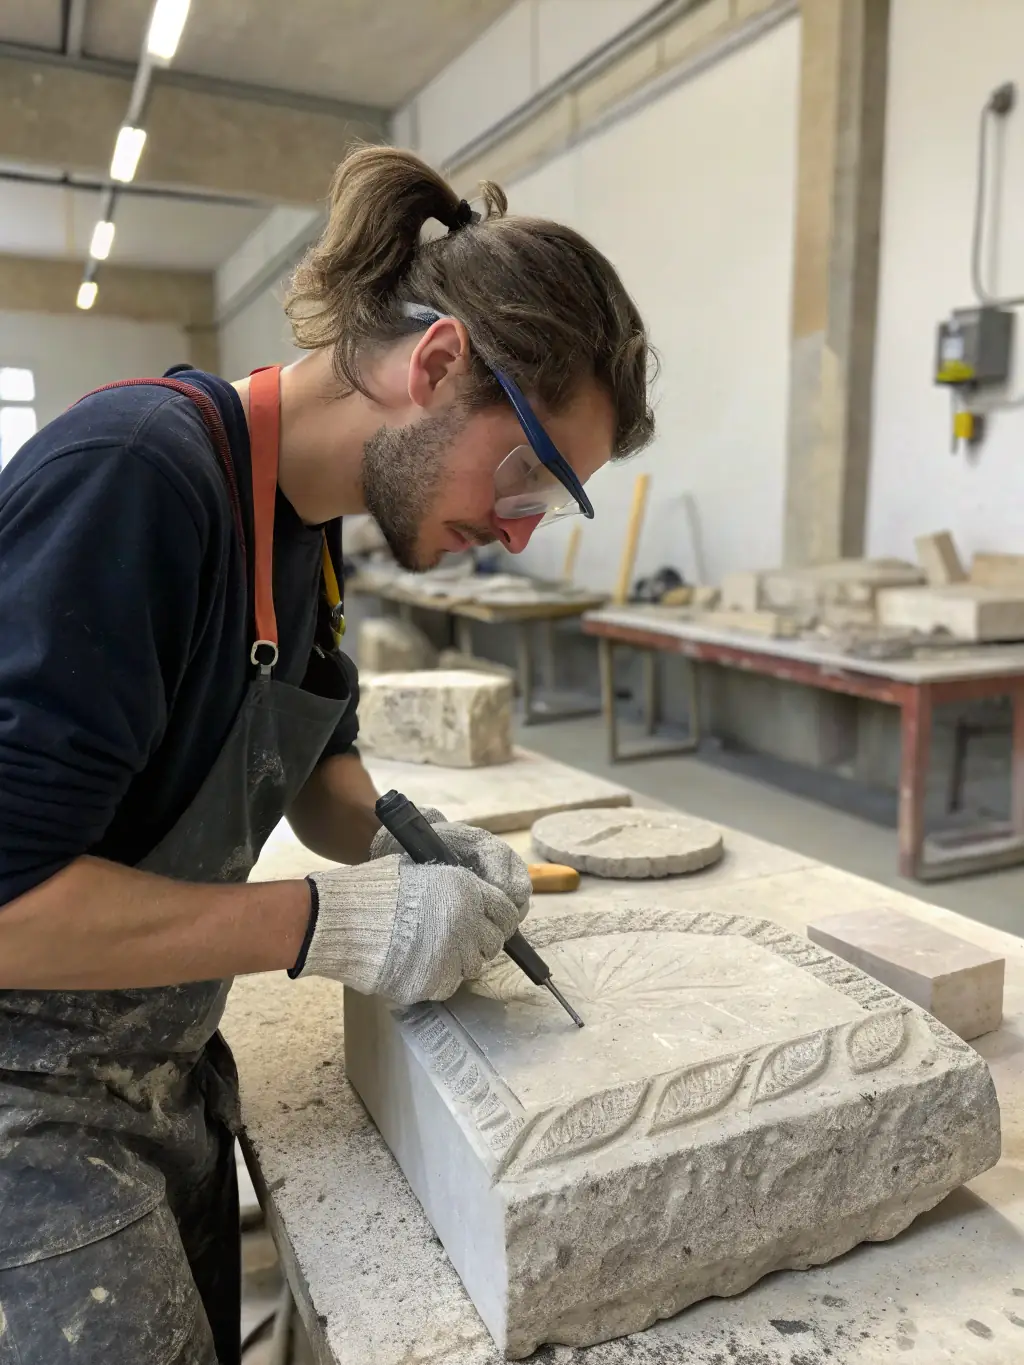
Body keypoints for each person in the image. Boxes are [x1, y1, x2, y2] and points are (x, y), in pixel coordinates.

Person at [0, 146, 654, 1363]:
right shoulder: (136, 482)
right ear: (440, 364)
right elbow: (8, 905)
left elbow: (311, 769)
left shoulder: (303, 528)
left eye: (550, 503)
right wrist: (328, 925)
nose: (518, 525)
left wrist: (419, 846)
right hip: (23, 1097)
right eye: (527, 474)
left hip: (155, 1061)